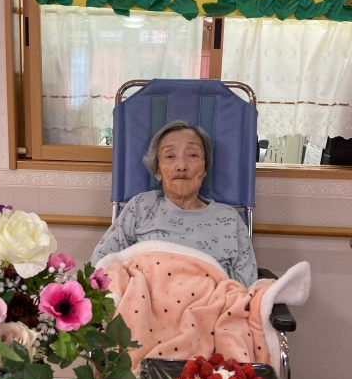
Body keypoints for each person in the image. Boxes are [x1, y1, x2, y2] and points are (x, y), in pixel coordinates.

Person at [91, 120, 258, 286]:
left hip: (213, 301)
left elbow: (247, 286)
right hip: (143, 299)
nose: (181, 166)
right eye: (170, 156)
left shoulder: (229, 218)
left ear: (205, 168)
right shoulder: (141, 206)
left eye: (192, 155)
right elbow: (101, 264)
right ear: (158, 170)